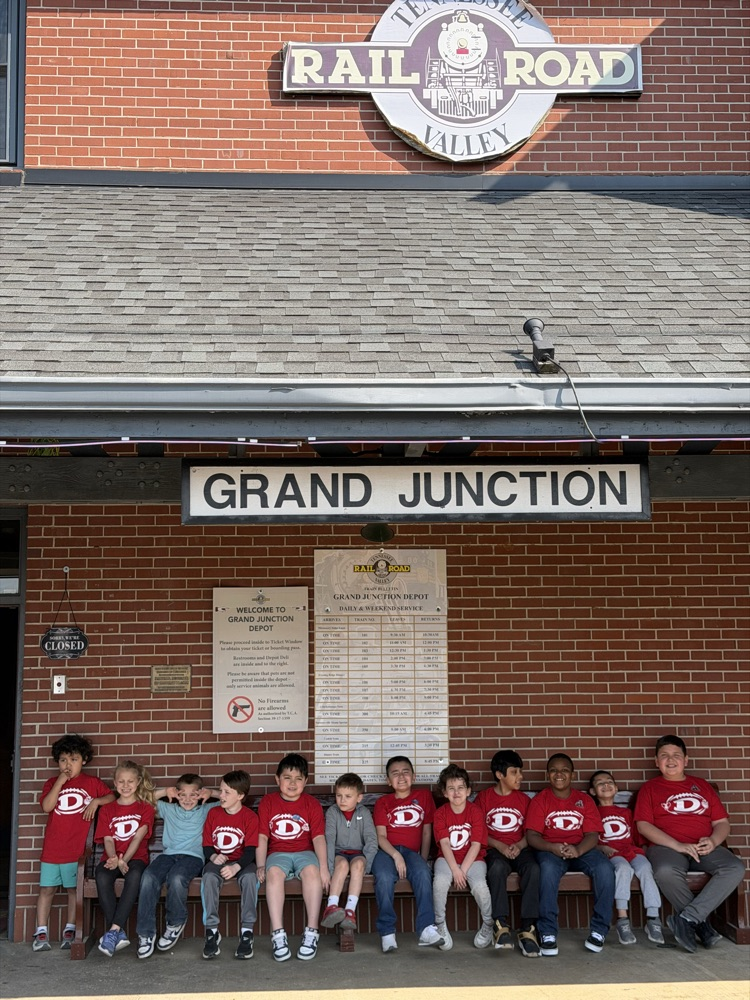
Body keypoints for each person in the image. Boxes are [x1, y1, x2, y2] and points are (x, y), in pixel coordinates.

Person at [634, 734, 745, 953]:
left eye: (676, 755)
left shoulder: (702, 786)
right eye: (664, 756)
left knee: (734, 867)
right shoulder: (650, 788)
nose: (670, 760)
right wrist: (677, 845)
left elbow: (722, 822)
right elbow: (643, 826)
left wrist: (713, 841)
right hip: (667, 848)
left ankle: (687, 919)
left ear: (686, 759)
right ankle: (701, 925)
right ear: (656, 762)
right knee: (665, 871)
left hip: (704, 847)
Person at [525, 752, 615, 956]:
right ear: (548, 775)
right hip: (551, 851)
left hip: (582, 849)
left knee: (605, 868)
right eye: (554, 771)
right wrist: (552, 847)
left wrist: (578, 850)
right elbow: (532, 836)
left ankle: (599, 930)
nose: (559, 774)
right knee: (546, 870)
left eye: (564, 770)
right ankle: (547, 931)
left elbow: (592, 834)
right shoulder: (541, 800)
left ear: (572, 775)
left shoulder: (584, 800)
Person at [33, 733, 114, 952]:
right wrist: (60, 781)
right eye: (63, 760)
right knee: (46, 889)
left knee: (72, 890)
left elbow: (112, 797)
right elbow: (47, 807)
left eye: (74, 759)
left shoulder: (91, 783)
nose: (68, 765)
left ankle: (70, 930)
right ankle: (40, 931)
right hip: (52, 848)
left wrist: (96, 801)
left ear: (84, 760)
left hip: (76, 849)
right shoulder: (52, 782)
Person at [136, 772, 218, 959]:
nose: (188, 799)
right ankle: (146, 933)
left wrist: (210, 793)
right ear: (176, 795)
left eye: (193, 795)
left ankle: (175, 922)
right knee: (148, 877)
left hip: (193, 857)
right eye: (183, 795)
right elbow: (140, 800)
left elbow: (232, 797)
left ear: (200, 795)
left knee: (177, 877)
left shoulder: (207, 810)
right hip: (168, 855)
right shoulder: (169, 809)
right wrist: (165, 791)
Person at [255, 754, 329, 962]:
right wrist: (261, 864)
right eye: (287, 777)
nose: (293, 783)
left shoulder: (311, 804)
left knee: (313, 873)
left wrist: (323, 867)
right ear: (277, 779)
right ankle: (278, 934)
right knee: (274, 873)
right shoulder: (268, 802)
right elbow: (262, 836)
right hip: (277, 853)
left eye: (298, 778)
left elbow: (318, 837)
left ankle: (312, 932)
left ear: (305, 781)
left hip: (305, 852)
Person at [371, 754, 444, 953]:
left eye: (406, 772)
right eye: (395, 773)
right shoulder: (383, 802)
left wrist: (422, 858)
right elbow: (381, 837)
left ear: (414, 775)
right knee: (384, 877)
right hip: (387, 852)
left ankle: (426, 929)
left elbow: (427, 830)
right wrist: (396, 855)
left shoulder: (424, 797)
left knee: (422, 873)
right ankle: (387, 932)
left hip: (413, 853)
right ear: (388, 780)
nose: (401, 777)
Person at [474, 749, 541, 956]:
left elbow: (532, 831)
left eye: (520, 771)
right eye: (514, 772)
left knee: (533, 868)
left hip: (520, 848)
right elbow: (477, 833)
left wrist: (519, 846)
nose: (520, 776)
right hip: (495, 850)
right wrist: (500, 846)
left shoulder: (525, 800)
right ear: (499, 775)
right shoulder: (484, 799)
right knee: (496, 868)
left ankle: (528, 928)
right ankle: (500, 925)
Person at [588, 769, 664, 945]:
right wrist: (601, 847)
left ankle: (653, 917)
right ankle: (623, 918)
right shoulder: (592, 814)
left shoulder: (626, 813)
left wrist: (642, 849)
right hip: (612, 853)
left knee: (646, 868)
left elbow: (637, 838)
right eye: (600, 783)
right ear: (592, 791)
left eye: (609, 782)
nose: (605, 785)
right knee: (623, 869)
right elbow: (588, 839)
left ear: (616, 788)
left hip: (631, 850)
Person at [95, 760, 156, 957]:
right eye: (121, 781)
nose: (126, 786)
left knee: (134, 876)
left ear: (138, 782)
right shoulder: (107, 809)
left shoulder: (145, 808)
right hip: (113, 857)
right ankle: (117, 932)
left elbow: (138, 837)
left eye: (130, 781)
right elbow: (108, 838)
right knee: (102, 875)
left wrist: (124, 860)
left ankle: (113, 931)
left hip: (136, 857)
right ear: (115, 782)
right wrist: (114, 859)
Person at [432, 763, 493, 951]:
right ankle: (440, 925)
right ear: (444, 792)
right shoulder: (440, 813)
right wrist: (455, 870)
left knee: (480, 886)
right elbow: (444, 843)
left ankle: (489, 924)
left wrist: (463, 871)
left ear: (468, 791)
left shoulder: (475, 812)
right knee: (440, 882)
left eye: (460, 788)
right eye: (451, 788)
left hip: (473, 859)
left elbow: (476, 844)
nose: (456, 793)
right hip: (447, 858)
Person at [201, 769, 259, 960]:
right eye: (221, 790)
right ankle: (212, 932)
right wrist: (213, 857)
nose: (221, 795)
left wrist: (236, 867)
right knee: (208, 877)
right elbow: (207, 845)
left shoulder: (249, 817)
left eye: (227, 792)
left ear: (240, 795)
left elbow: (250, 850)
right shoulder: (214, 813)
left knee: (251, 878)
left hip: (242, 862)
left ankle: (246, 932)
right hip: (219, 861)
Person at [321, 772, 377, 933]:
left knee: (358, 865)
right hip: (339, 853)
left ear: (359, 798)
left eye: (347, 796)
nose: (342, 800)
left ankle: (349, 911)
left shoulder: (364, 813)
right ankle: (331, 906)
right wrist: (330, 869)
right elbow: (329, 840)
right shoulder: (333, 812)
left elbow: (371, 840)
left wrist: (368, 865)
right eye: (339, 795)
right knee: (342, 865)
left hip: (358, 853)